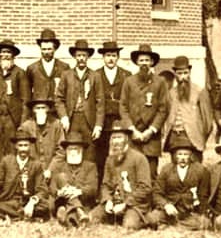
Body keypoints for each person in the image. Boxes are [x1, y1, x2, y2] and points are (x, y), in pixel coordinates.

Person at [90, 121, 152, 229]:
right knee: (91, 218)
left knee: (129, 226)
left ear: (127, 139)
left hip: (133, 205)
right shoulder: (110, 160)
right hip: (114, 203)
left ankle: (146, 220)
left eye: (119, 137)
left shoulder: (139, 158)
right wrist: (108, 200)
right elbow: (105, 185)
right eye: (113, 138)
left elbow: (145, 188)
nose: (116, 141)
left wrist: (125, 204)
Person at [119, 42, 169, 177]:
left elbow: (163, 109)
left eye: (147, 60)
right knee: (132, 172)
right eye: (141, 60)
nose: (144, 63)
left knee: (150, 173)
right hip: (133, 136)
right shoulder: (129, 81)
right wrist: (132, 129)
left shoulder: (160, 82)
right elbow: (123, 107)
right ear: (136, 62)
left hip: (151, 138)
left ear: (152, 62)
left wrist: (151, 130)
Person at [54, 39, 103, 161]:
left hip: (89, 121)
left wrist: (98, 125)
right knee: (72, 148)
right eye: (79, 55)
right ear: (75, 57)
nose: (81, 58)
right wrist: (64, 116)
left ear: (88, 57)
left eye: (84, 56)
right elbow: (59, 98)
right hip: (72, 119)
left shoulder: (95, 76)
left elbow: (100, 102)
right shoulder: (66, 75)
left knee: (90, 152)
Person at [149, 134, 210, 230]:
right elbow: (157, 193)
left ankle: (173, 226)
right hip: (170, 209)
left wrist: (199, 211)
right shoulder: (166, 169)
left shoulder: (200, 170)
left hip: (190, 211)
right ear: (174, 156)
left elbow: (204, 195)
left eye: (186, 154)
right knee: (151, 219)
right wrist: (166, 205)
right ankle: (178, 225)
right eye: (179, 154)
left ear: (191, 156)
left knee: (203, 223)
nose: (182, 157)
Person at [163, 54, 214, 162]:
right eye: (179, 73)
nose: (183, 77)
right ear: (175, 75)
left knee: (195, 172)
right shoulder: (171, 93)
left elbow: (208, 122)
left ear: (190, 73)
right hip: (175, 138)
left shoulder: (200, 92)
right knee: (177, 172)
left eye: (185, 73)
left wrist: (200, 137)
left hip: (193, 139)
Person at [0, 129, 43, 220]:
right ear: (16, 146)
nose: (23, 149)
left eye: (26, 145)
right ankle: (23, 216)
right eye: (20, 145)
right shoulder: (6, 161)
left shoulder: (36, 164)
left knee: (46, 207)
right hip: (10, 201)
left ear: (30, 146)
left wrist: (32, 202)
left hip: (27, 200)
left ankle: (13, 215)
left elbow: (42, 189)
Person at [91, 39, 130, 178]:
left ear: (118, 57)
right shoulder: (95, 75)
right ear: (103, 57)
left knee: (120, 154)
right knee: (101, 156)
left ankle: (119, 187)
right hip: (102, 121)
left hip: (120, 121)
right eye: (108, 55)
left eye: (113, 55)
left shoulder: (126, 75)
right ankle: (103, 187)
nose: (111, 59)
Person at [43, 130, 98, 226]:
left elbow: (93, 188)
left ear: (81, 151)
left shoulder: (90, 166)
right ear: (66, 151)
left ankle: (67, 214)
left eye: (76, 149)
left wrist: (78, 191)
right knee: (61, 177)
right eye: (70, 149)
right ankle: (78, 210)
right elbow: (52, 187)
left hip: (83, 202)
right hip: (62, 199)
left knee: (68, 213)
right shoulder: (59, 166)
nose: (72, 152)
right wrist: (59, 192)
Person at [0, 38, 29, 159]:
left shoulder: (20, 73)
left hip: (12, 119)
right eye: (3, 52)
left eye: (8, 52)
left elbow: (25, 100)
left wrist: (22, 122)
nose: (5, 55)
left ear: (13, 55)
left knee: (11, 149)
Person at [18, 96, 64, 174]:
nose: (40, 111)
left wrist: (50, 170)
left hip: (53, 170)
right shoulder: (26, 127)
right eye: (38, 108)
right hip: (32, 170)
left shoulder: (56, 125)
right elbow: (22, 151)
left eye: (43, 108)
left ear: (48, 109)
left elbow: (61, 151)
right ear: (33, 110)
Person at [28, 28, 69, 104]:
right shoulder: (32, 68)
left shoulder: (64, 67)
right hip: (39, 109)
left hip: (57, 110)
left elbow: (68, 91)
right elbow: (28, 93)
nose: (46, 52)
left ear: (55, 49)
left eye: (49, 49)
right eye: (44, 49)